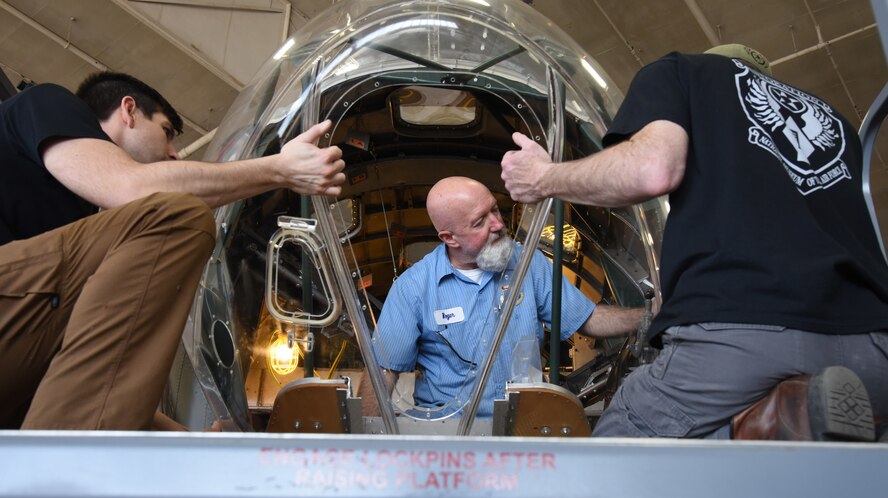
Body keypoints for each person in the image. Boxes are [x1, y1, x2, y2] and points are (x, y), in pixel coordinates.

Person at [500, 44, 888, 440]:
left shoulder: (684, 72)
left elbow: (651, 171)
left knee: (615, 446)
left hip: (743, 331)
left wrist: (542, 178)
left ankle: (775, 423)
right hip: (872, 347)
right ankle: (779, 419)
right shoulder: (836, 121)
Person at [0, 71, 345, 430]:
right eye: (167, 131)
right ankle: (62, 474)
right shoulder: (47, 103)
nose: (173, 152)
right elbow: (129, 186)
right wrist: (278, 169)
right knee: (177, 215)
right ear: (129, 111)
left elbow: (89, 385)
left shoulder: (79, 224)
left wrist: (194, 445)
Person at [359, 176, 642, 418]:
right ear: (449, 238)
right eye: (480, 221)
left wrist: (650, 317)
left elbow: (588, 319)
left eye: (495, 209)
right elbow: (383, 371)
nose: (497, 224)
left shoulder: (529, 263)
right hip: (451, 432)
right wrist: (365, 446)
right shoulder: (414, 287)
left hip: (522, 425)